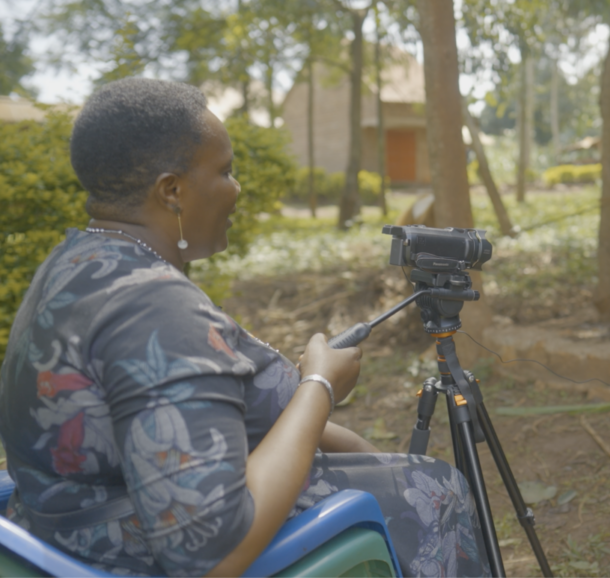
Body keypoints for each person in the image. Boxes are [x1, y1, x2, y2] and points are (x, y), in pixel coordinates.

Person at [0, 78, 489, 577]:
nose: (236, 189)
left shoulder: (78, 264)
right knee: (438, 486)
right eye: (225, 171)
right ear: (172, 190)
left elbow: (215, 415)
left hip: (63, 532)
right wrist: (319, 386)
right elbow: (210, 550)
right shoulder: (155, 309)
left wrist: (356, 444)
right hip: (129, 553)